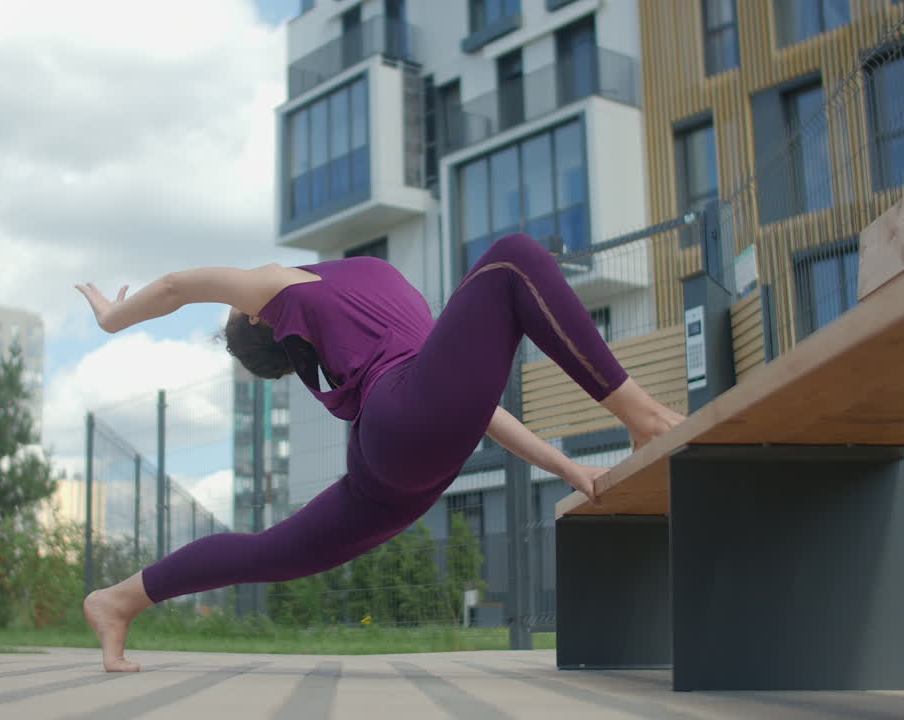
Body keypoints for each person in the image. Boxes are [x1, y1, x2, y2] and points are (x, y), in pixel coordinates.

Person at [73, 233, 685, 672]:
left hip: (401, 458)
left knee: (269, 551)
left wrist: (569, 468)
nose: (244, 280)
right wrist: (112, 319)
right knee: (514, 258)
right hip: (401, 429)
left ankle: (117, 600)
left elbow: (473, 407)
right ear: (258, 319)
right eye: (241, 302)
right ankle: (648, 419)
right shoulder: (280, 290)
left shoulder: (339, 312)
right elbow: (178, 286)